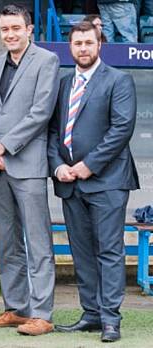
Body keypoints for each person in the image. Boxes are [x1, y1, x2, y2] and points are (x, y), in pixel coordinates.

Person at [48, 21, 139, 343]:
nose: (83, 48)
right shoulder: (61, 84)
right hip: (70, 183)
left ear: (100, 44)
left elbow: (121, 129)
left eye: (89, 42)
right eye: (78, 44)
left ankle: (111, 318)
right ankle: (91, 314)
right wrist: (58, 166)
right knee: (82, 252)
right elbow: (54, 132)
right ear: (70, 48)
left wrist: (89, 165)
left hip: (108, 181)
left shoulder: (118, 80)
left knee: (109, 251)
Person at [0, 4, 59, 336]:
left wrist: (4, 145)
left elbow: (40, 113)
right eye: (4, 29)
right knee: (9, 243)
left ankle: (41, 313)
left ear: (29, 29)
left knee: (38, 242)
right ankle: (17, 307)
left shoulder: (46, 61)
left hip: (27, 166)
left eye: (15, 28)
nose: (9, 34)